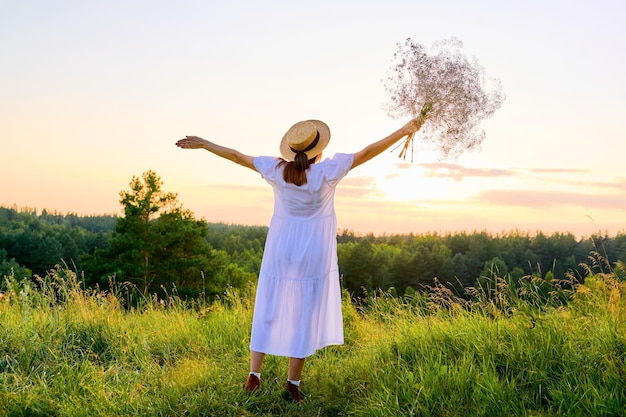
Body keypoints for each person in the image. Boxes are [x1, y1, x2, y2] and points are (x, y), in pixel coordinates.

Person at [175, 117, 423, 403]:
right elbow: (368, 151)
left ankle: (254, 376)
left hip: (280, 248)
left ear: (290, 151)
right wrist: (405, 130)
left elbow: (235, 156)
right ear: (318, 151)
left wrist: (205, 144)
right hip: (313, 252)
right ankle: (292, 385)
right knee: (305, 312)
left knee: (269, 305)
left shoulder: (275, 169)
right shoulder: (327, 172)